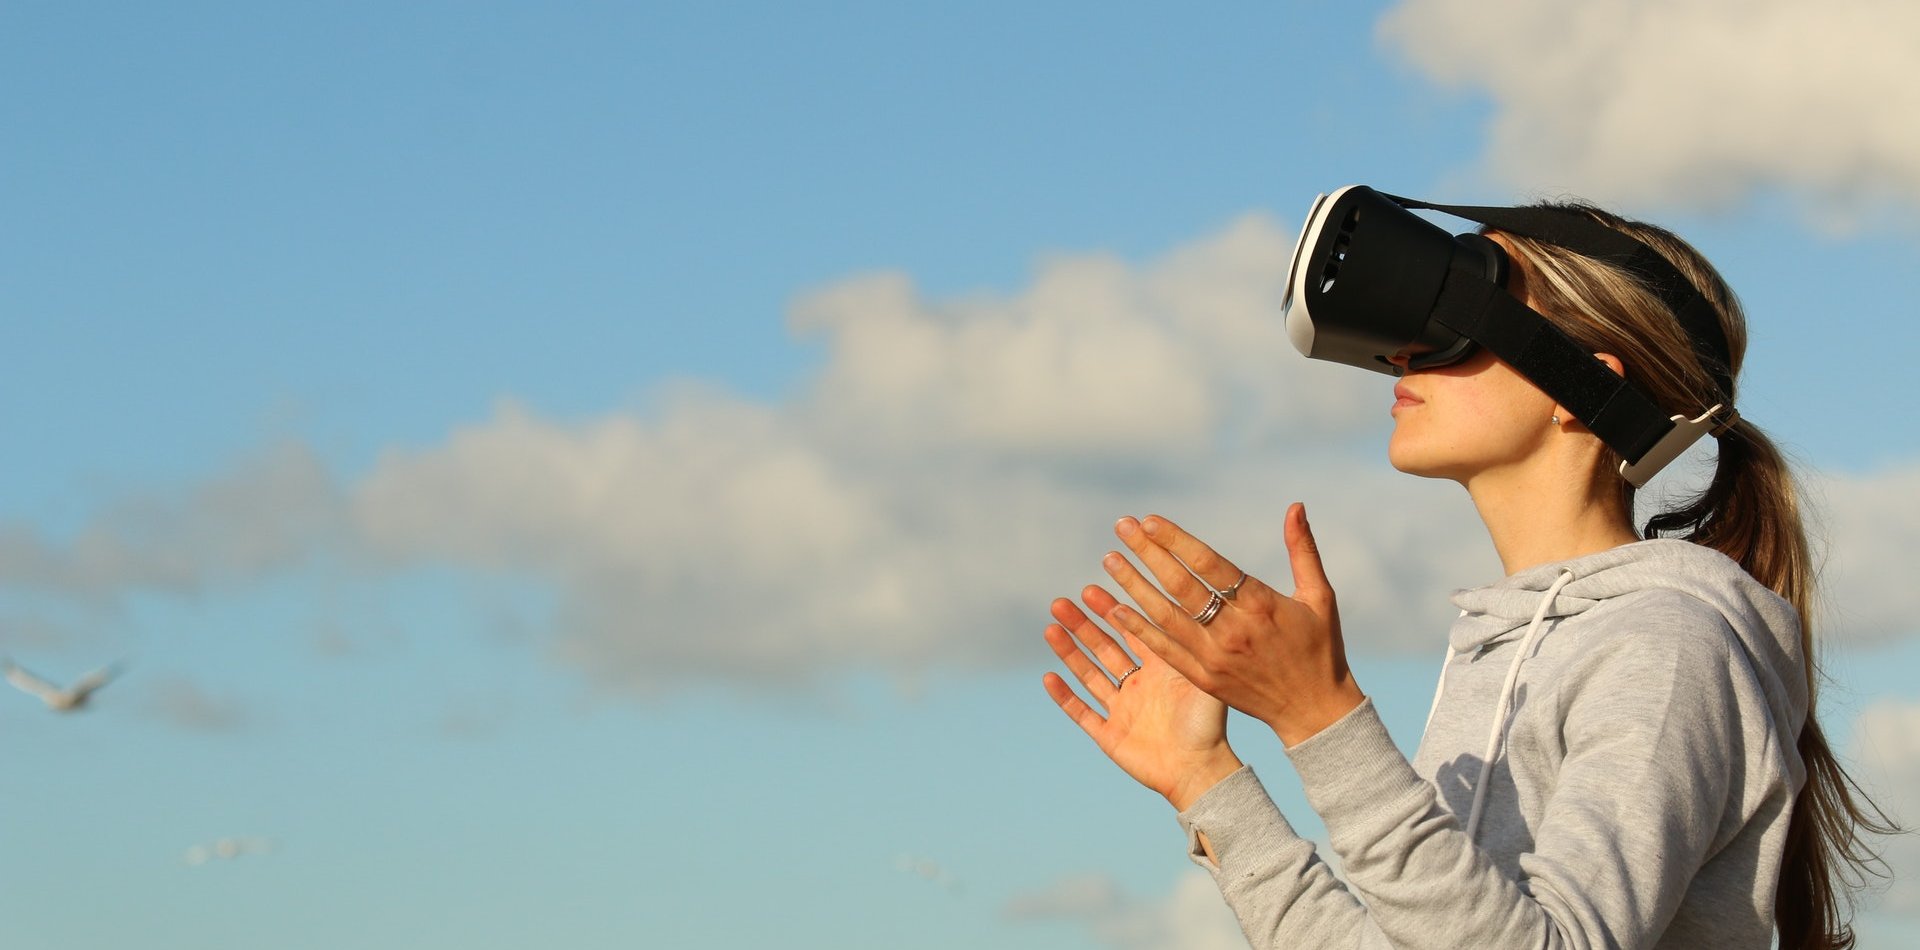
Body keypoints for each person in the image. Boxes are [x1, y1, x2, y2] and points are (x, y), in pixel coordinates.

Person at [1040, 197, 1891, 949]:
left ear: (1580, 385)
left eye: (1457, 314)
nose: (1406, 352)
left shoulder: (1667, 646)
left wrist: (1320, 717)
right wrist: (1205, 781)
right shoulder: (1500, 651)